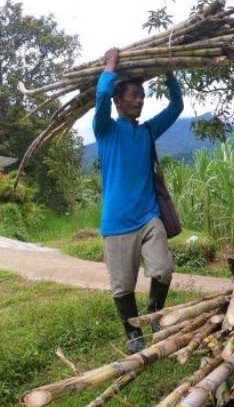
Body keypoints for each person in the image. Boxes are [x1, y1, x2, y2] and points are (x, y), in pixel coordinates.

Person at [94, 47, 184, 353]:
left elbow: (176, 106)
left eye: (142, 94)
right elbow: (99, 100)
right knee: (122, 287)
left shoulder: (147, 132)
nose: (139, 100)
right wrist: (109, 68)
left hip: (148, 216)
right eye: (133, 94)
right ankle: (133, 333)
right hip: (117, 223)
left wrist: (170, 74)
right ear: (118, 101)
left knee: (163, 269)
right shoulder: (105, 130)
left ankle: (153, 312)